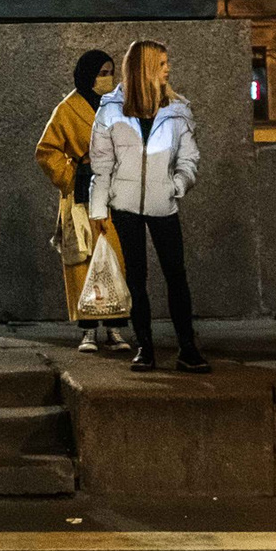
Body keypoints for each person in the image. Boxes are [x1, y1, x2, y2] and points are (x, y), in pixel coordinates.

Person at [88, 38, 208, 373]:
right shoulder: (110, 109)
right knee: (136, 279)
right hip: (124, 205)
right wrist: (99, 210)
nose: (169, 69)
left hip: (163, 203)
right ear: (146, 68)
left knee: (176, 275)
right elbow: (101, 164)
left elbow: (189, 159)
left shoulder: (176, 110)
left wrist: (176, 185)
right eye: (163, 63)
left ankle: (188, 348)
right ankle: (145, 348)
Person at [38, 49, 127, 353]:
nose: (107, 78)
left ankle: (115, 325)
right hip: (82, 195)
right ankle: (88, 327)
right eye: (101, 73)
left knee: (114, 258)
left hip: (114, 191)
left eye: (110, 72)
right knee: (85, 261)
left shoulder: (119, 106)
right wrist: (71, 173)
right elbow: (46, 150)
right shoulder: (67, 109)